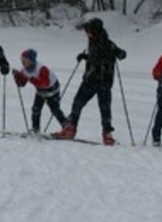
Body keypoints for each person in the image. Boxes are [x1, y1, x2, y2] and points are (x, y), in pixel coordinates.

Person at [51, 17, 127, 145]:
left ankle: (103, 134)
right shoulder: (93, 42)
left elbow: (121, 55)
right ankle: (77, 129)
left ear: (95, 31)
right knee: (85, 105)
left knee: (96, 107)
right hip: (95, 80)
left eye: (88, 30)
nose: (86, 33)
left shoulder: (107, 43)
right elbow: (96, 58)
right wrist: (85, 57)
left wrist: (117, 54)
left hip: (99, 81)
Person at [12, 49, 69, 134]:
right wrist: (17, 76)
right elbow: (22, 84)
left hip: (52, 90)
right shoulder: (24, 70)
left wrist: (34, 81)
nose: (23, 62)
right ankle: (35, 129)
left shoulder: (41, 68)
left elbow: (46, 83)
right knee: (36, 109)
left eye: (25, 60)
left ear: (31, 60)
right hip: (40, 91)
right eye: (22, 60)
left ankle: (67, 127)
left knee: (55, 110)